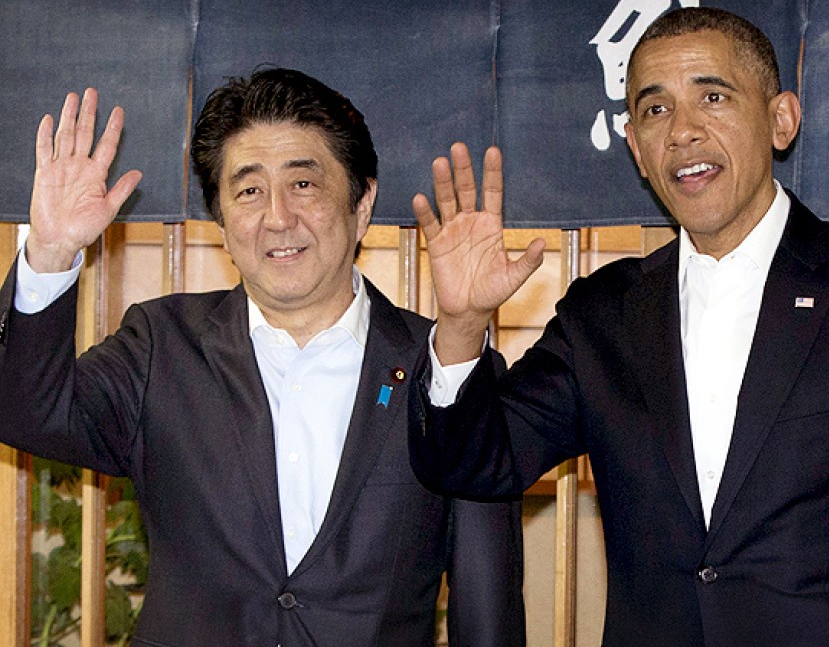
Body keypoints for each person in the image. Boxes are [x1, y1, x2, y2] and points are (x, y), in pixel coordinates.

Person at [407, 7, 829, 646]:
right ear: (638, 153)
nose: (683, 132)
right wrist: (460, 324)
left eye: (713, 96)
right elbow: (475, 464)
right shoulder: (602, 315)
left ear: (781, 119)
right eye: (655, 110)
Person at [0, 69, 525, 646]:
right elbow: (29, 413)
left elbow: (487, 607)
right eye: (248, 190)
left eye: (304, 184)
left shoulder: (446, 370)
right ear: (222, 221)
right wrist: (49, 253)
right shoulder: (161, 346)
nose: (277, 216)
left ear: (362, 205)